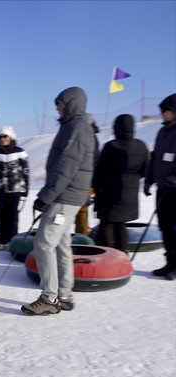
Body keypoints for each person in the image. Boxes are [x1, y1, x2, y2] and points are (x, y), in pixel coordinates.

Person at [22, 87, 95, 315]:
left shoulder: (77, 128)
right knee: (62, 244)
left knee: (44, 244)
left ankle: (49, 298)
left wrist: (46, 196)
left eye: (61, 104)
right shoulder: (75, 127)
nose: (57, 108)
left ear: (71, 104)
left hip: (64, 198)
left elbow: (65, 168)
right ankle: (64, 294)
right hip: (68, 197)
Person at [93, 114, 148, 253]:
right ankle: (122, 254)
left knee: (106, 224)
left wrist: (96, 185)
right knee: (120, 224)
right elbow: (145, 169)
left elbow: (101, 170)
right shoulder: (141, 146)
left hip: (109, 192)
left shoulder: (111, 146)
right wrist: (131, 179)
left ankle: (106, 256)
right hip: (130, 194)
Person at [144, 93, 176, 280]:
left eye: (166, 110)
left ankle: (175, 265)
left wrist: (174, 177)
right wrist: (149, 179)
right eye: (161, 110)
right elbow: (154, 157)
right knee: (164, 226)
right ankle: (169, 262)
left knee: (173, 228)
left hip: (174, 190)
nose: (162, 113)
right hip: (162, 188)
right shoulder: (162, 132)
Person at [0, 125, 29, 250]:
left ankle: (12, 241)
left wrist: (26, 189)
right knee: (2, 214)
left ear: (11, 137)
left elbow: (26, 171)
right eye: (0, 137)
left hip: (16, 188)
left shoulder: (20, 151)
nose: (2, 139)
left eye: (5, 136)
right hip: (1, 189)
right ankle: (2, 241)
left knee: (13, 215)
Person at [74, 115, 101, 235]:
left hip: (86, 181)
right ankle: (82, 235)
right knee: (80, 211)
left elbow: (89, 162)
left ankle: (83, 239)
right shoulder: (89, 137)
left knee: (81, 211)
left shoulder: (88, 138)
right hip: (86, 180)